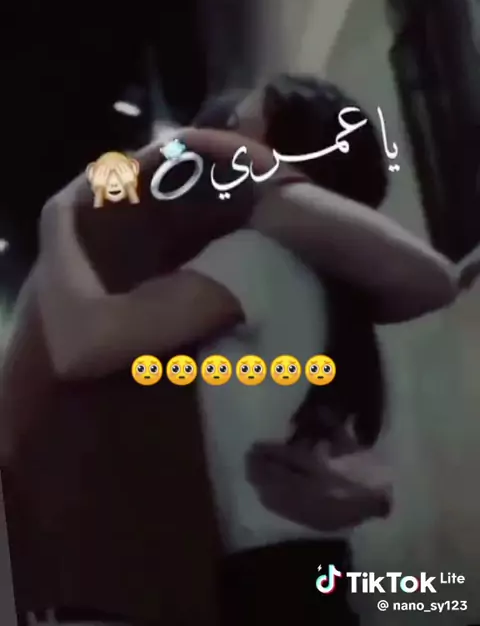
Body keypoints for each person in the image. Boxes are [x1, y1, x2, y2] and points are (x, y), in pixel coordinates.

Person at [25, 76, 456, 625]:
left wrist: (57, 217)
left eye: (233, 128)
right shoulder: (321, 281)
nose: (204, 139)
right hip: (300, 579)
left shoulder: (253, 257)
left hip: (265, 589)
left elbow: (81, 343)